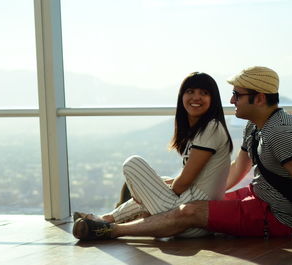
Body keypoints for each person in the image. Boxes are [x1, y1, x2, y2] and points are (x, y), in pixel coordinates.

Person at [72, 66, 292, 240]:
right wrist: (211, 197)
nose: (232, 101)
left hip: (275, 216)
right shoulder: (256, 125)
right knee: (184, 204)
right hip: (256, 197)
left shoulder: (281, 133)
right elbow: (238, 168)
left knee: (188, 212)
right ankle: (106, 221)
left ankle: (112, 230)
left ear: (259, 98)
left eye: (237, 95)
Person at [73, 72, 233, 239]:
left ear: (213, 99)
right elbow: (188, 180)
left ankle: (106, 222)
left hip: (194, 214)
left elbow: (183, 183)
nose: (196, 97)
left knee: (133, 164)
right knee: (162, 180)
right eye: (190, 91)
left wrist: (145, 193)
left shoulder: (211, 127)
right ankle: (105, 220)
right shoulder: (200, 130)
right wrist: (156, 187)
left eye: (204, 93)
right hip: (192, 211)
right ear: (182, 96)